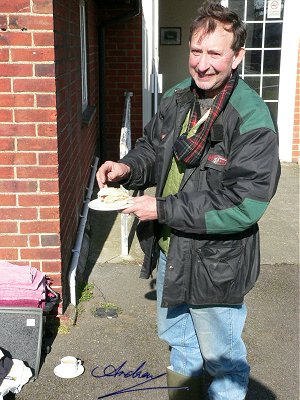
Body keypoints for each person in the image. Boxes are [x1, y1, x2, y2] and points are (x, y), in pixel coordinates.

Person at [96, 2, 280, 399]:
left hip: (217, 264)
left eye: (215, 53)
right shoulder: (179, 96)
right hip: (171, 250)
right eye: (197, 51)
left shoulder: (251, 118)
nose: (203, 63)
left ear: (236, 57)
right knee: (180, 345)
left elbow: (244, 204)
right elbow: (152, 147)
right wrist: (127, 169)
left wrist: (162, 209)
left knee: (222, 360)